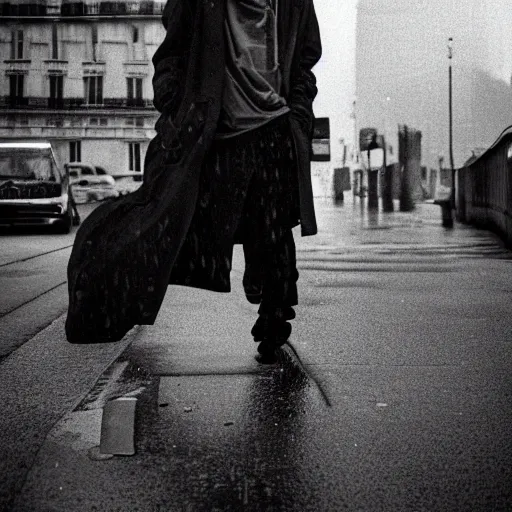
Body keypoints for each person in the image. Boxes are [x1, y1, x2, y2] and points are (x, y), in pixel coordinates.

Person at [65, 0, 322, 362]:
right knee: (172, 216)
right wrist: (173, 105)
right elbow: (172, 53)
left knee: (275, 229)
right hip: (217, 132)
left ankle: (274, 323)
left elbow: (306, 58)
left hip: (276, 129)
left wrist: (298, 112)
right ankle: (107, 296)